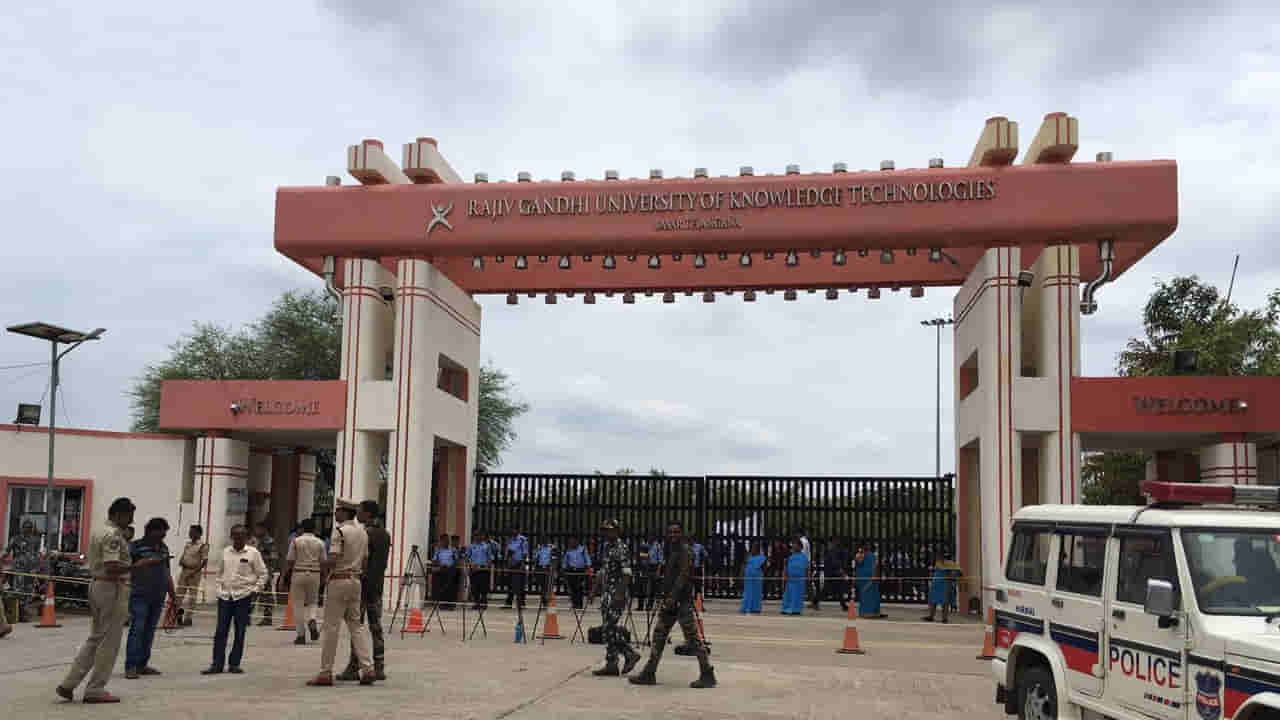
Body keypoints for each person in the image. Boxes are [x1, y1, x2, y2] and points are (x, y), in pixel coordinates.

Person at [56, 497, 136, 703]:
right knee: (109, 642)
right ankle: (95, 688)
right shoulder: (113, 535)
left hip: (98, 585)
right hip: (112, 587)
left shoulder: (99, 530)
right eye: (129, 516)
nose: (131, 521)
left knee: (96, 638)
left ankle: (69, 683)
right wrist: (139, 566)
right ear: (118, 514)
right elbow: (112, 566)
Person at [629, 520, 716, 689]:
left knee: (693, 639)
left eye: (676, 532)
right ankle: (649, 672)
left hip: (681, 602)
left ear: (682, 533)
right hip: (670, 602)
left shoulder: (685, 551)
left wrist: (672, 597)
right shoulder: (671, 550)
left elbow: (683, 576)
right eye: (670, 532)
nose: (673, 535)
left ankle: (707, 673)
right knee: (659, 635)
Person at [307, 498, 375, 686]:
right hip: (356, 581)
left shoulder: (340, 532)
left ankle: (325, 672)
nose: (335, 514)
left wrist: (319, 563)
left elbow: (333, 559)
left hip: (338, 580)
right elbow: (365, 562)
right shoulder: (363, 533)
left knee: (331, 627)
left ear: (344, 512)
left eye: (337, 510)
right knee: (356, 626)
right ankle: (368, 668)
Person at [202, 524, 266, 675]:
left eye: (241, 535)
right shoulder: (225, 552)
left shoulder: (253, 553)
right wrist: (218, 590)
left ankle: (234, 664)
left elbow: (263, 574)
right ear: (231, 537)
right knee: (220, 631)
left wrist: (255, 590)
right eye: (235, 535)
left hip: (243, 596)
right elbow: (219, 573)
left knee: (240, 631)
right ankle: (217, 664)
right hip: (225, 596)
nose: (238, 538)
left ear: (246, 537)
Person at [338, 500, 389, 682]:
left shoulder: (364, 533)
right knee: (376, 627)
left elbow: (362, 561)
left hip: (362, 585)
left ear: (367, 514)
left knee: (356, 627)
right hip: (377, 586)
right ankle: (379, 666)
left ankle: (354, 666)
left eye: (359, 511)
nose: (357, 514)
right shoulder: (385, 534)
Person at [125, 517, 176, 679]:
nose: (162, 537)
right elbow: (126, 569)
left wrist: (173, 596)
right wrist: (144, 563)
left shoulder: (164, 548)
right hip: (139, 595)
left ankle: (142, 664)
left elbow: (167, 573)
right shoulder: (135, 547)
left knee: (149, 631)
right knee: (137, 629)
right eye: (160, 533)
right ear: (150, 531)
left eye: (164, 534)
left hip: (158, 595)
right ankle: (131, 666)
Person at [591, 519, 641, 676]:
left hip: (617, 593)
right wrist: (594, 589)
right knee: (607, 630)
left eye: (610, 530)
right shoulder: (606, 547)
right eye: (604, 530)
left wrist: (620, 593)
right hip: (607, 593)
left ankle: (629, 654)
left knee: (609, 628)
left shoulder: (621, 548)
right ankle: (612, 663)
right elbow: (603, 570)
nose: (607, 533)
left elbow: (627, 573)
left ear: (617, 531)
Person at [284, 518, 326, 645]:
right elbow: (323, 562)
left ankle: (301, 635)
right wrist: (324, 577)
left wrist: (284, 576)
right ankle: (312, 618)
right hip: (315, 573)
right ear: (315, 529)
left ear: (302, 528)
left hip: (298, 572)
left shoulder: (296, 541)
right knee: (313, 601)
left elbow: (290, 560)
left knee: (297, 604)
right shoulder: (320, 542)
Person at [173, 525, 208, 627]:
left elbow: (204, 561)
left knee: (192, 596)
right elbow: (184, 554)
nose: (190, 534)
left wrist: (194, 572)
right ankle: (177, 615)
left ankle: (188, 618)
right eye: (190, 532)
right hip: (184, 570)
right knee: (179, 594)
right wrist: (181, 560)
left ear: (199, 533)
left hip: (194, 572)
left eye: (192, 532)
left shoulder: (203, 545)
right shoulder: (188, 544)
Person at [247, 522, 277, 626]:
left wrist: (270, 571)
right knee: (251, 594)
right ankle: (246, 617)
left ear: (264, 529)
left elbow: (273, 557)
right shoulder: (255, 541)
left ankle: (267, 618)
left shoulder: (269, 542)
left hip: (265, 571)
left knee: (266, 596)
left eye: (258, 529)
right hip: (254, 571)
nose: (256, 531)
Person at [816, 536, 850, 612]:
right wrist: (841, 571)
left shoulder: (832, 550)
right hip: (832, 573)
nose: (837, 542)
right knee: (828, 590)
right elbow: (835, 562)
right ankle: (815, 602)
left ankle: (843, 605)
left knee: (837, 590)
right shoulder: (832, 551)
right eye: (836, 541)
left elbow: (835, 562)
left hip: (833, 573)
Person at [923, 550, 957, 623]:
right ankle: (931, 616)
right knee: (933, 601)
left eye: (939, 556)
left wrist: (950, 580)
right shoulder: (937, 563)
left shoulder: (949, 564)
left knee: (944, 602)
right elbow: (935, 572)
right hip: (936, 584)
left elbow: (953, 574)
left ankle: (944, 618)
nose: (938, 557)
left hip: (944, 584)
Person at [466, 530, 494, 610]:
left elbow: (490, 558)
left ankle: (484, 603)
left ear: (482, 536)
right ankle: (476, 603)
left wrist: (488, 565)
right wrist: (471, 564)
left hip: (483, 569)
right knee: (475, 587)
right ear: (474, 537)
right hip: (474, 570)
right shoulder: (471, 547)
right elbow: (467, 557)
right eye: (476, 535)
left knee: (484, 587)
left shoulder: (486, 546)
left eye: (479, 535)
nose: (478, 537)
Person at [781, 538, 809, 615]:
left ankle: (796, 609)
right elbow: (786, 568)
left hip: (799, 580)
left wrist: (807, 578)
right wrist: (785, 576)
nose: (793, 546)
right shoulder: (790, 557)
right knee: (788, 594)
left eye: (795, 544)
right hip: (790, 580)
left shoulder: (804, 557)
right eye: (793, 544)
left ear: (800, 546)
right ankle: (786, 608)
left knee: (797, 595)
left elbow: (806, 568)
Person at [562, 536, 591, 609]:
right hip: (571, 570)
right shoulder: (568, 550)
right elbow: (565, 560)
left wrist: (588, 567)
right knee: (572, 588)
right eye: (570, 542)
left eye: (572, 541)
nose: (571, 543)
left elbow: (587, 558)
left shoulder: (582, 549)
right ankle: (574, 603)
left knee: (579, 587)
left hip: (580, 570)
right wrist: (564, 568)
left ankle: (579, 604)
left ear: (576, 541)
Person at [431, 533, 459, 610]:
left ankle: (451, 605)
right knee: (442, 588)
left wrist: (451, 565)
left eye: (447, 540)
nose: (446, 542)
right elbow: (434, 560)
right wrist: (439, 564)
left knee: (451, 588)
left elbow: (456, 560)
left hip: (450, 571)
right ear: (441, 541)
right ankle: (443, 604)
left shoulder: (453, 550)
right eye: (444, 540)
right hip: (441, 570)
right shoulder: (438, 550)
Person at [855, 546, 883, 618]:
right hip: (865, 578)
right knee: (868, 595)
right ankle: (869, 612)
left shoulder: (871, 556)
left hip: (867, 577)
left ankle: (872, 612)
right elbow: (874, 566)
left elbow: (874, 566)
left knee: (871, 595)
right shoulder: (868, 555)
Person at [503, 526, 528, 609]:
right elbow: (508, 552)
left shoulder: (522, 540)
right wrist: (507, 564)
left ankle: (521, 603)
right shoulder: (510, 540)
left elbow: (524, 553)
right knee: (510, 584)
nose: (513, 531)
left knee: (520, 585)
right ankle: (508, 603)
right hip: (511, 564)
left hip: (519, 563)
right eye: (512, 530)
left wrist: (522, 564)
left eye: (514, 529)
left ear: (518, 530)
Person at [638, 533, 663, 611]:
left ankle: (649, 605)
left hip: (654, 567)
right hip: (645, 567)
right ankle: (641, 605)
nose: (650, 538)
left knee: (652, 587)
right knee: (642, 587)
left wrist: (658, 570)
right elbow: (642, 557)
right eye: (649, 536)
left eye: (651, 536)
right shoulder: (644, 545)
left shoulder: (657, 546)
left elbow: (660, 560)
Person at [739, 542, 765, 614]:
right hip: (748, 577)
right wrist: (741, 574)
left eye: (755, 547)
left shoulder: (762, 558)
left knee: (757, 592)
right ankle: (746, 607)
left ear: (758, 549)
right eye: (753, 547)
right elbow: (743, 565)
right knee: (748, 592)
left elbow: (764, 568)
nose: (753, 549)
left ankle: (756, 608)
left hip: (757, 578)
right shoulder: (748, 556)